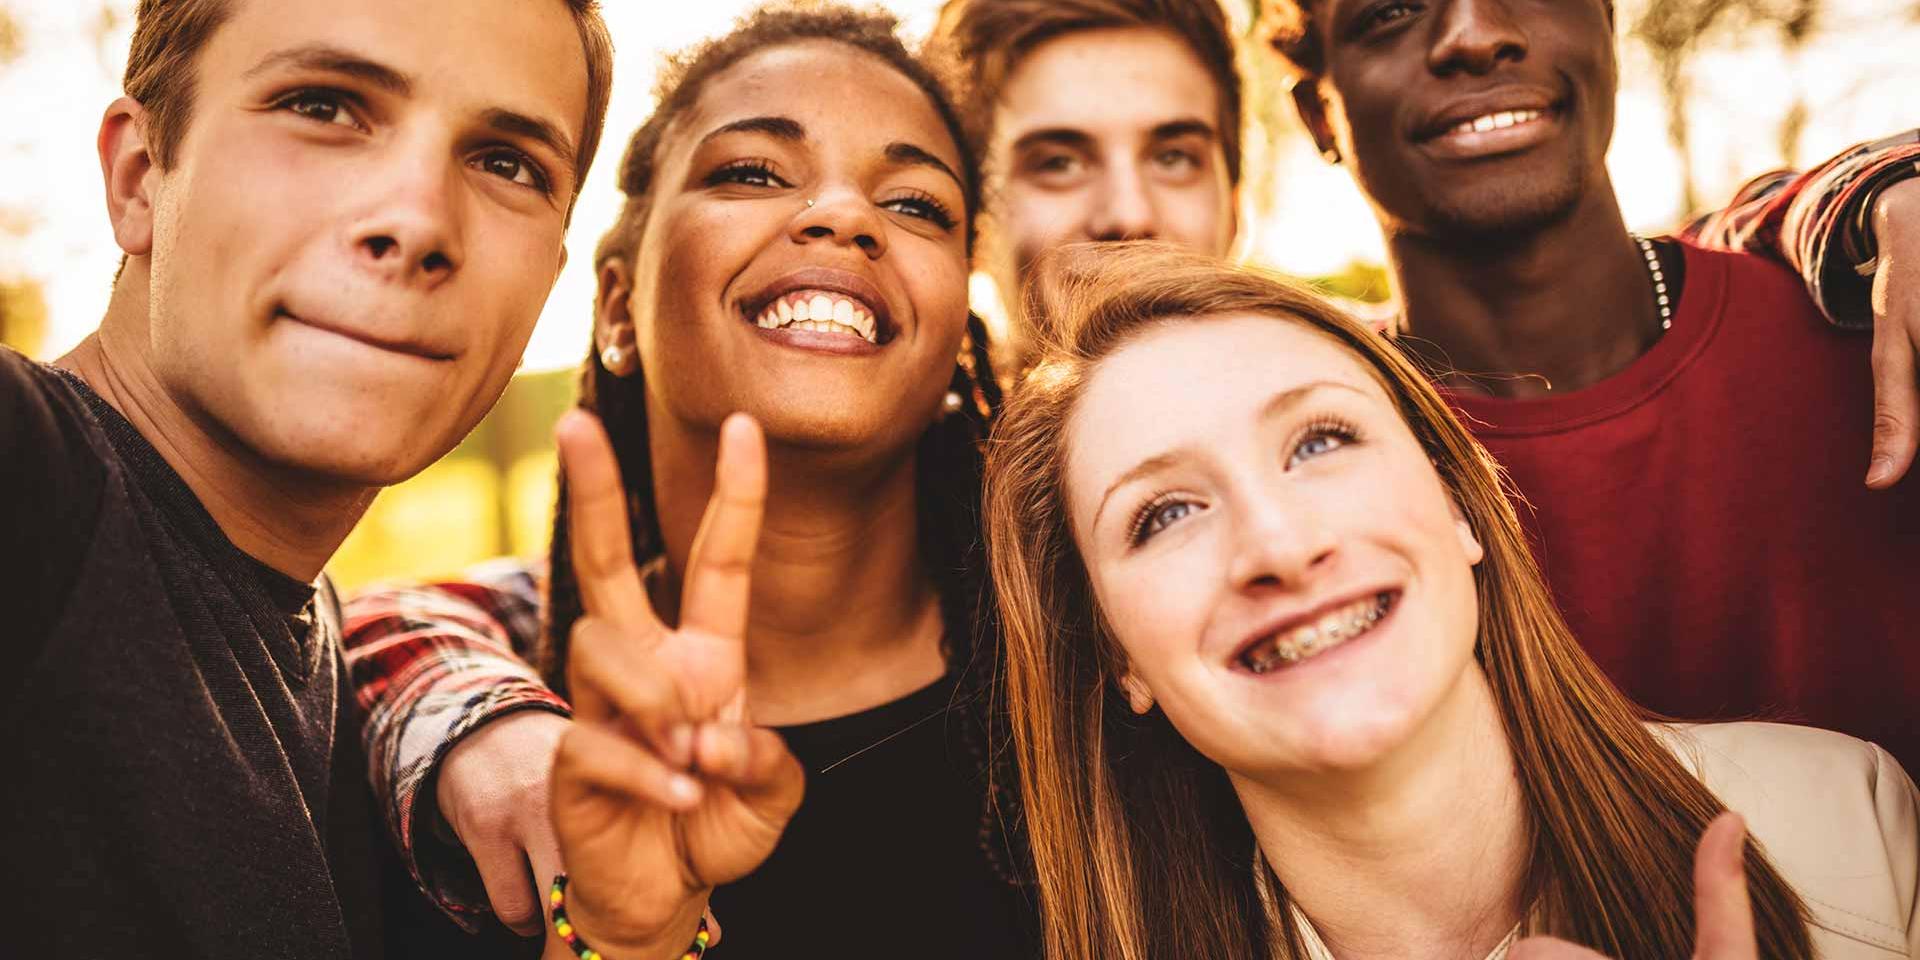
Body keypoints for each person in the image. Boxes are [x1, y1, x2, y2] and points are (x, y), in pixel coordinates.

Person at [984, 242, 1917, 960]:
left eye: (1319, 442)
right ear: (1115, 656)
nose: (1278, 544)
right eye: (1165, 514)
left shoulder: (1853, 828)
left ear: (1461, 506)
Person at [345, 7, 1037, 954]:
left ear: (961, 337)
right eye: (750, 172)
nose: (842, 215)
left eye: (916, 204)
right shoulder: (462, 775)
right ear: (620, 307)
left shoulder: (1093, 687)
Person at [0, 0, 612, 955]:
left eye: (507, 163)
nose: (417, 221)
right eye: (322, 106)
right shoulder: (34, 475)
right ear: (139, 176)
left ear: (550, 276)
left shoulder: (319, 650)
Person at [1265, 0, 1920, 768]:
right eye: (1394, 10)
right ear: (1319, 114)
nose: (1475, 36)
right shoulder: (1291, 471)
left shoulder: (1874, 330)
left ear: (1606, 24)